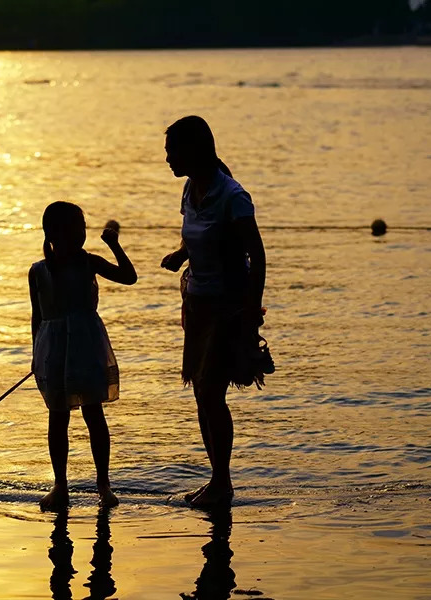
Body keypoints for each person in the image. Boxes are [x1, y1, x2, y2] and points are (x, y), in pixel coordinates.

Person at [160, 115, 267, 508]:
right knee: (203, 394)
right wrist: (180, 254)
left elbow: (257, 256)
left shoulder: (233, 196)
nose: (168, 158)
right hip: (198, 304)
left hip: (228, 306)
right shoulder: (191, 189)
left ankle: (222, 482)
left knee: (210, 392)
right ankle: (218, 479)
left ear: (194, 150)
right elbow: (198, 231)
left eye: (173, 151)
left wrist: (251, 312)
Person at [29, 201, 137, 510]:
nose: (81, 232)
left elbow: (129, 277)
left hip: (87, 345)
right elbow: (37, 317)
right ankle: (59, 485)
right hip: (52, 349)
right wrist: (36, 354)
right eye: (75, 227)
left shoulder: (90, 262)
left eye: (82, 226)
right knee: (58, 417)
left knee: (94, 414)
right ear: (54, 233)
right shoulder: (38, 271)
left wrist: (115, 246)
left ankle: (104, 485)